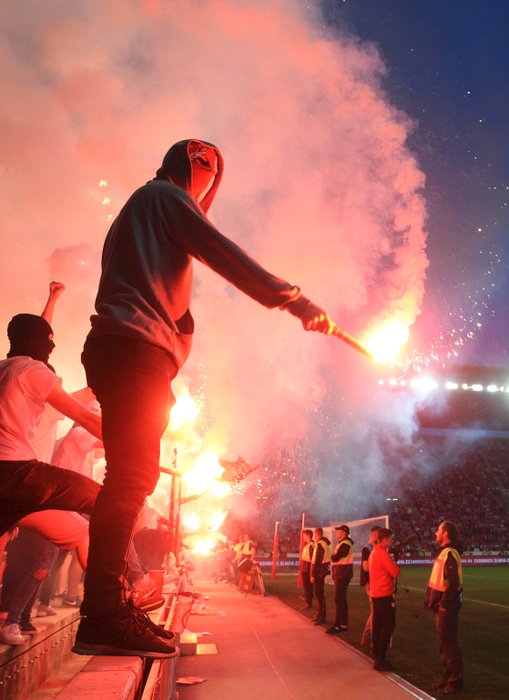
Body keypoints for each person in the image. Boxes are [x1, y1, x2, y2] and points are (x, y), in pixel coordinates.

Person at [75, 139, 335, 658]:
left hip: (128, 350)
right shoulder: (162, 197)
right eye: (202, 164)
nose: (208, 174)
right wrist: (295, 300)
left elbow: (190, 251)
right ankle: (101, 612)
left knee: (133, 477)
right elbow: (223, 252)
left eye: (216, 169)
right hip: (133, 349)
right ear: (181, 165)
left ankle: (108, 605)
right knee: (131, 478)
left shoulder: (153, 211)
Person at [0, 313, 104, 664]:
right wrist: (129, 441)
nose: (52, 344)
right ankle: (107, 609)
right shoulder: (35, 374)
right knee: (105, 500)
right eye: (49, 338)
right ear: (38, 341)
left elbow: (25, 339)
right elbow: (85, 416)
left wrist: (51, 304)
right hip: (19, 475)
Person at [426, 520, 464, 694]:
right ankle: (448, 675)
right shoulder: (446, 552)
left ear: (446, 533)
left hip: (446, 607)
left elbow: (453, 583)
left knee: (448, 643)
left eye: (438, 530)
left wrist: (443, 604)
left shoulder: (449, 553)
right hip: (442, 606)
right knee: (444, 644)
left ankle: (455, 680)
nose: (435, 533)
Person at [368, 527, 400, 672]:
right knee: (388, 626)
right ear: (385, 539)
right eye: (391, 538)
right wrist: (396, 562)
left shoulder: (374, 552)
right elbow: (394, 572)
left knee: (378, 625)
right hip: (384, 595)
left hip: (375, 594)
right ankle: (380, 659)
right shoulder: (382, 554)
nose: (392, 541)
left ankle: (377, 653)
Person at [326, 524, 354, 634]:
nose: (336, 533)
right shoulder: (343, 543)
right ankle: (343, 624)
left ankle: (337, 626)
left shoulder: (345, 544)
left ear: (344, 532)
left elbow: (335, 557)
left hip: (343, 574)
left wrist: (334, 555)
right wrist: (334, 555)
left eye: (338, 531)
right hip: (342, 574)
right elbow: (334, 556)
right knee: (341, 600)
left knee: (339, 600)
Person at [359, 526, 378, 649]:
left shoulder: (372, 548)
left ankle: (366, 639)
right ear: (375, 535)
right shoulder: (367, 549)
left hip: (374, 582)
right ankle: (369, 638)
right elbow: (366, 567)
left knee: (375, 612)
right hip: (370, 583)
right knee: (375, 612)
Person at [310, 527, 331, 625]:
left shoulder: (320, 544)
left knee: (319, 595)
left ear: (316, 534)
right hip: (321, 572)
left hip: (319, 573)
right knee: (319, 595)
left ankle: (322, 617)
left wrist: (313, 574)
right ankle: (320, 616)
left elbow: (317, 561)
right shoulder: (325, 544)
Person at [298, 529, 314, 609]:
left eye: (304, 535)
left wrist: (311, 572)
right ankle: (307, 599)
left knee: (308, 586)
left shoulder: (311, 545)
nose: (303, 537)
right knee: (306, 586)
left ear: (309, 536)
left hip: (307, 569)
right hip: (305, 568)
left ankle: (308, 603)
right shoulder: (307, 545)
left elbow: (312, 559)